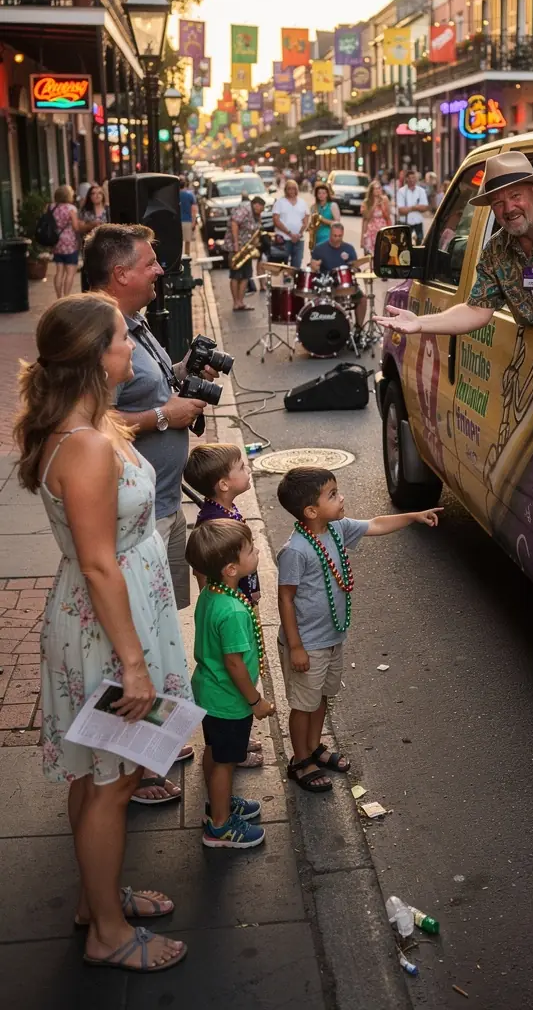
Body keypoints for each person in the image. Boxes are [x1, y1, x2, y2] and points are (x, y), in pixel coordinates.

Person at [13, 293, 190, 973]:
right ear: (95, 356)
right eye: (121, 338)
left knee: (96, 774)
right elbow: (96, 562)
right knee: (113, 781)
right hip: (107, 628)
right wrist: (134, 666)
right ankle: (108, 934)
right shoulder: (84, 444)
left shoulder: (90, 423)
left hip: (111, 614)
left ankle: (97, 899)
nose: (131, 348)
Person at [84, 224, 213, 804]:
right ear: (120, 273)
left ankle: (158, 738)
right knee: (134, 632)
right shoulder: (98, 333)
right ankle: (134, 770)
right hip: (131, 517)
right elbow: (90, 424)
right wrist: (165, 417)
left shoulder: (133, 325)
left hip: (159, 501)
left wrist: (185, 377)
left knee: (161, 627)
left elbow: (144, 394)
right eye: (151, 263)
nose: (163, 271)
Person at [276, 467, 441, 792]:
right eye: (333, 494)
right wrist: (295, 646)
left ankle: (314, 746)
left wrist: (413, 516)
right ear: (311, 511)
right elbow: (285, 598)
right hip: (307, 644)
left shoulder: (336, 529)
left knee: (322, 696)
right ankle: (300, 759)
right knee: (302, 703)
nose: (342, 498)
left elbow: (376, 524)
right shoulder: (296, 550)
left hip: (332, 637)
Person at [376, 150, 533, 337]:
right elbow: (476, 310)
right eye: (498, 203)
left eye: (516, 196)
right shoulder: (497, 248)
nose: (508, 209)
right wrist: (420, 323)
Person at [185, 520, 274, 849]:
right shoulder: (234, 610)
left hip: (210, 692)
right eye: (251, 548)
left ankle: (217, 803)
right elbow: (234, 664)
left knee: (215, 751)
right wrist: (256, 702)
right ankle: (220, 827)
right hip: (229, 701)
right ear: (232, 568)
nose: (257, 550)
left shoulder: (212, 593)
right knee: (225, 762)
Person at [310, 222, 366, 329]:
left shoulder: (349, 248)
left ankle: (359, 327)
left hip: (346, 285)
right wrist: (314, 266)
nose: (337, 238)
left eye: (340, 236)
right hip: (328, 286)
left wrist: (354, 268)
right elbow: (313, 267)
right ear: (330, 234)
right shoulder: (319, 248)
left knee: (363, 299)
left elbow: (355, 266)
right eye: (335, 236)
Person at [50, 184, 84, 299]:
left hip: (57, 243)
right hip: (70, 244)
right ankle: (66, 297)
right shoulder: (71, 208)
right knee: (70, 272)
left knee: (59, 271)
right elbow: (75, 227)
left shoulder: (52, 207)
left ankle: (59, 297)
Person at [223, 193, 256, 312]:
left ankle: (240, 302)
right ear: (257, 205)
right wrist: (236, 244)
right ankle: (236, 302)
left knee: (246, 276)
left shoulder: (253, 212)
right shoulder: (245, 209)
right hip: (237, 248)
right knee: (236, 275)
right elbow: (234, 223)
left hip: (245, 248)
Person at [273, 179, 309, 268]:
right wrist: (290, 234)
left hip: (299, 239)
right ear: (285, 190)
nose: (292, 191)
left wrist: (299, 234)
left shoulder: (302, 202)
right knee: (283, 265)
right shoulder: (280, 202)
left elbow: (306, 221)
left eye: (294, 188)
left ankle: (295, 281)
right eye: (289, 188)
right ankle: (286, 279)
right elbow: (276, 220)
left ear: (297, 190)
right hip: (283, 239)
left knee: (297, 265)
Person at [395, 170, 429, 242]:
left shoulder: (421, 191)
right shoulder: (401, 191)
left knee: (419, 244)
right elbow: (401, 211)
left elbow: (425, 207)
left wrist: (409, 208)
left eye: (413, 177)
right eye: (409, 178)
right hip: (405, 223)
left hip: (418, 223)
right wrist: (416, 207)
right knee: (405, 245)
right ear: (406, 179)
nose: (412, 180)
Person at [361, 180, 392, 254]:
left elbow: (388, 216)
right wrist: (375, 204)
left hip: (382, 230)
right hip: (370, 231)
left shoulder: (385, 199)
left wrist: (382, 205)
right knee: (370, 255)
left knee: (382, 254)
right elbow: (366, 218)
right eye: (376, 188)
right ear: (371, 190)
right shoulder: (366, 202)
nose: (378, 190)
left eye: (379, 188)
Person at [309, 182, 341, 249]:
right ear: (316, 195)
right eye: (319, 193)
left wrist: (322, 219)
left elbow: (337, 224)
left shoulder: (332, 205)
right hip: (316, 238)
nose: (321, 195)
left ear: (327, 194)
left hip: (328, 238)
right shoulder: (313, 207)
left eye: (324, 193)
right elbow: (312, 224)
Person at [179, 180, 198, 257]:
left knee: (178, 242)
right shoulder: (189, 196)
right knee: (187, 241)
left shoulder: (174, 195)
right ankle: (187, 256)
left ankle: (179, 258)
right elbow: (194, 210)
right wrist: (194, 222)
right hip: (187, 220)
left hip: (177, 222)